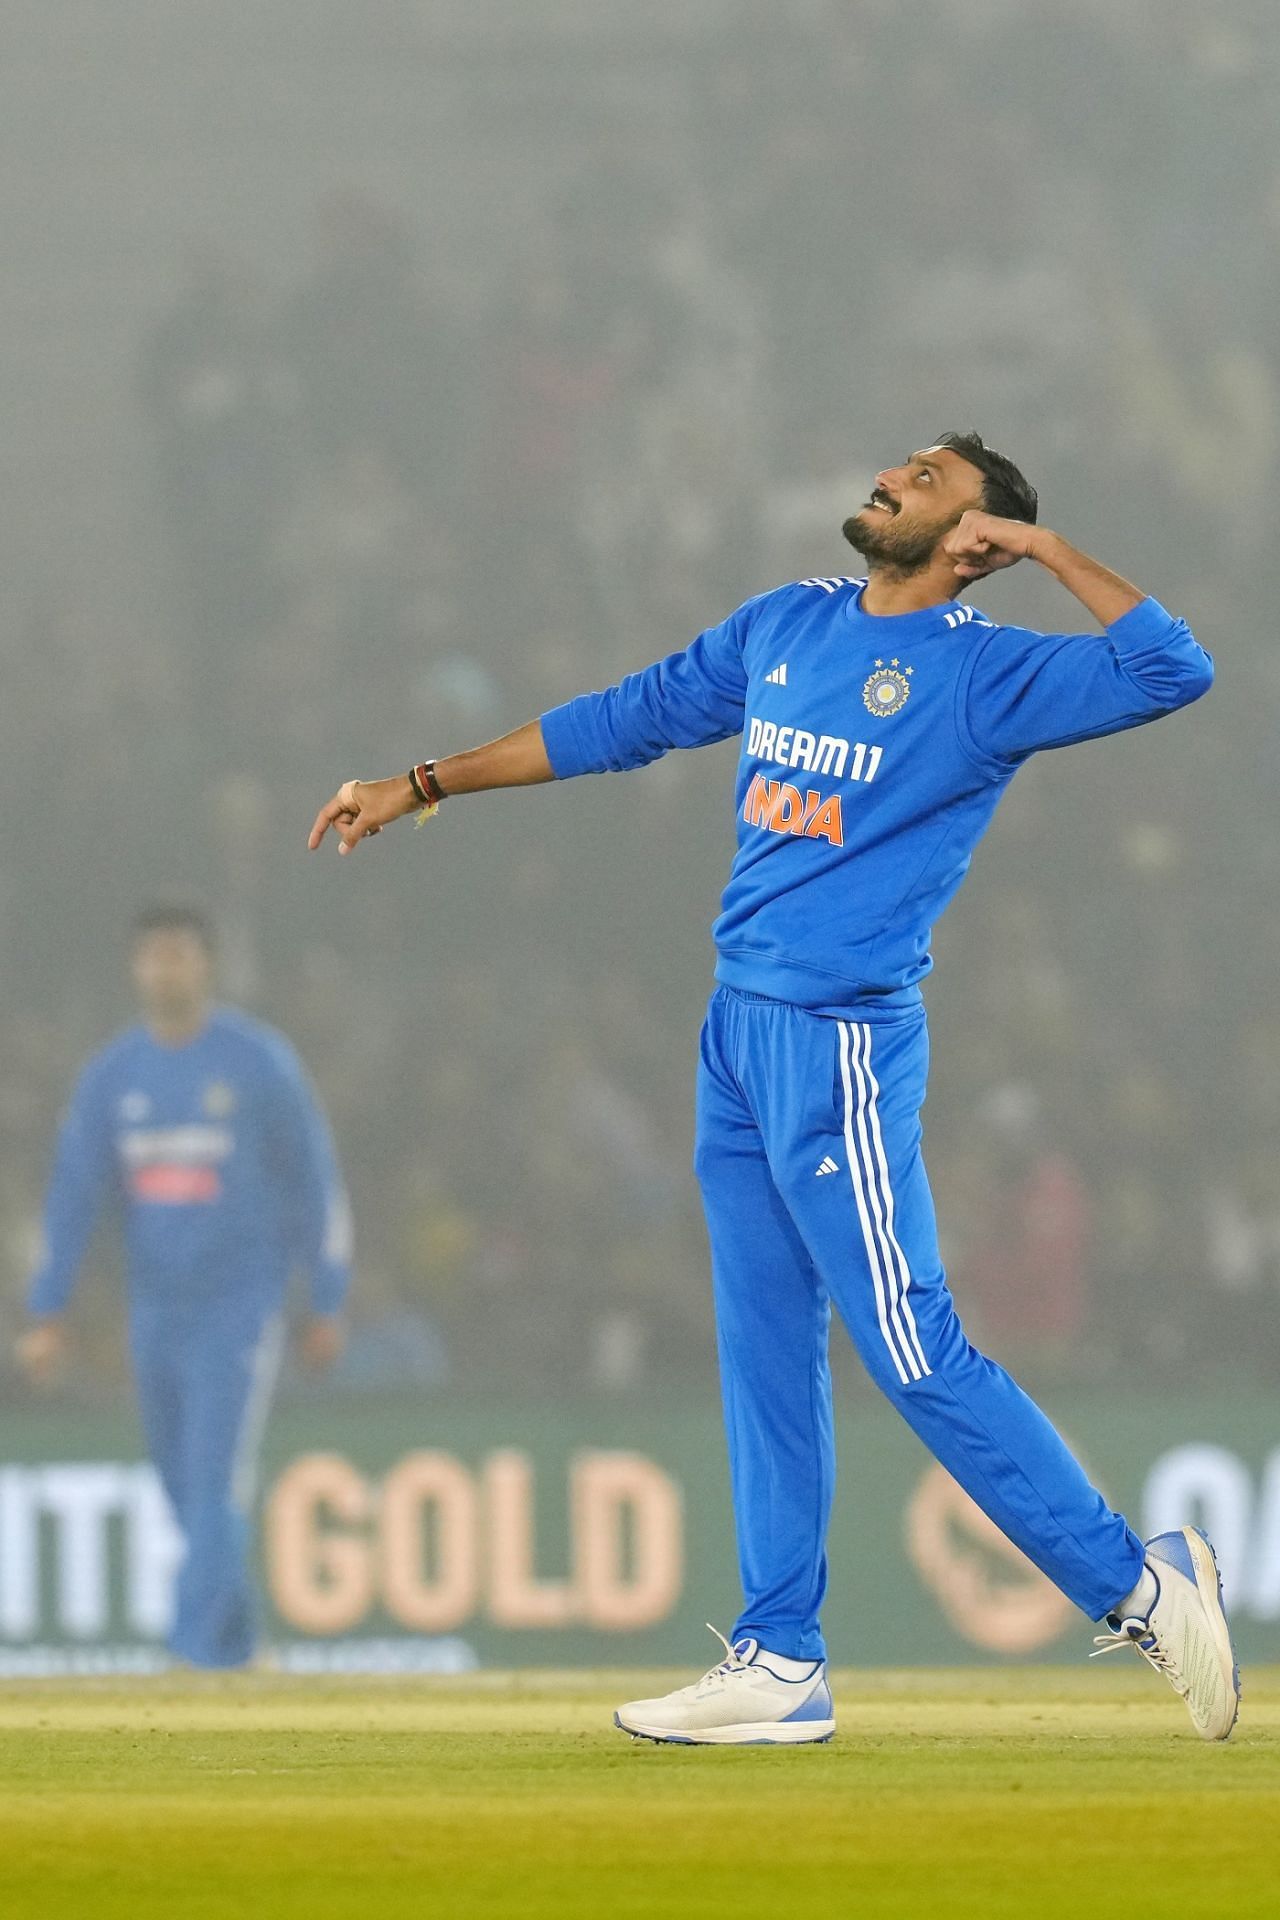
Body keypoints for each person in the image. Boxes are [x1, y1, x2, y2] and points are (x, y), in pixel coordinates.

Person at [307, 430, 1237, 1743]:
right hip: (737, 1031)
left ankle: (1145, 1587)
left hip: (838, 1041)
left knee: (911, 1349)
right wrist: (422, 783)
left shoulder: (984, 672)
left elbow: (1171, 668)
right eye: (902, 461)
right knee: (765, 1346)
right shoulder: (783, 627)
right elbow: (621, 721)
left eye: (932, 475)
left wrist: (1044, 550)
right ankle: (778, 1656)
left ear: (980, 531)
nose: (896, 475)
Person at [16, 905, 352, 1669]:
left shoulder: (257, 1063)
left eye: (179, 954)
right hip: (155, 1308)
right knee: (182, 1485)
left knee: (211, 1477)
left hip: (240, 1307)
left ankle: (192, 1654)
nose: (165, 969)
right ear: (136, 968)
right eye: (153, 956)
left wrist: (326, 1296)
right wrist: (47, 1309)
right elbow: (74, 1197)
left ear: (207, 964)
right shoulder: (112, 1077)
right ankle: (237, 1648)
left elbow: (314, 1181)